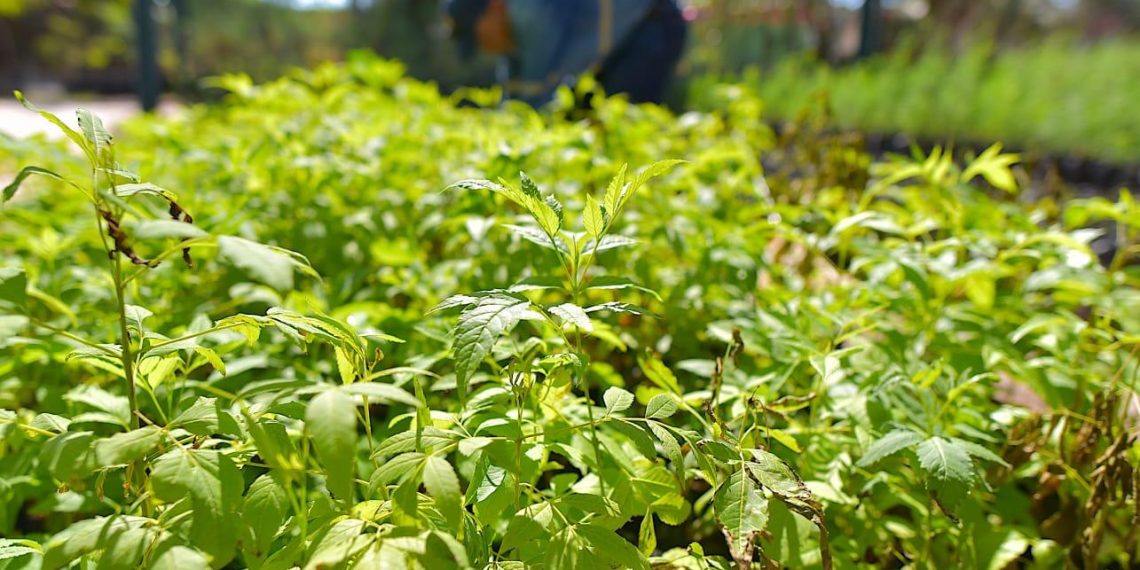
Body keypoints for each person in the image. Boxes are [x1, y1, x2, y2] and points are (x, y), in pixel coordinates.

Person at [445, 0, 688, 106]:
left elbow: (536, 99)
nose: (482, 46)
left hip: (650, 24)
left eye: (476, 33)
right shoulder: (510, 26)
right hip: (618, 38)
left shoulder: (530, 12)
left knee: (625, 122)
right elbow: (514, 92)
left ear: (494, 5)